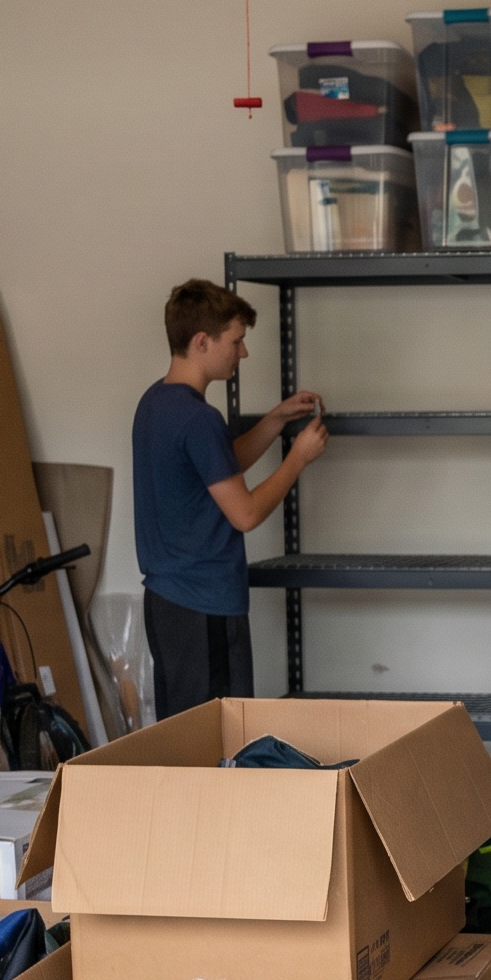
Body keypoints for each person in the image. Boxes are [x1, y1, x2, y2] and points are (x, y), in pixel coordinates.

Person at [134, 279, 329, 718]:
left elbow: (217, 466)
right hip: (205, 609)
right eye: (236, 341)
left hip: (168, 605)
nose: (243, 353)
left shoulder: (156, 403)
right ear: (202, 342)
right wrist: (297, 460)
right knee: (219, 746)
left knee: (185, 738)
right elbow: (244, 513)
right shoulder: (199, 418)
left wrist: (276, 419)